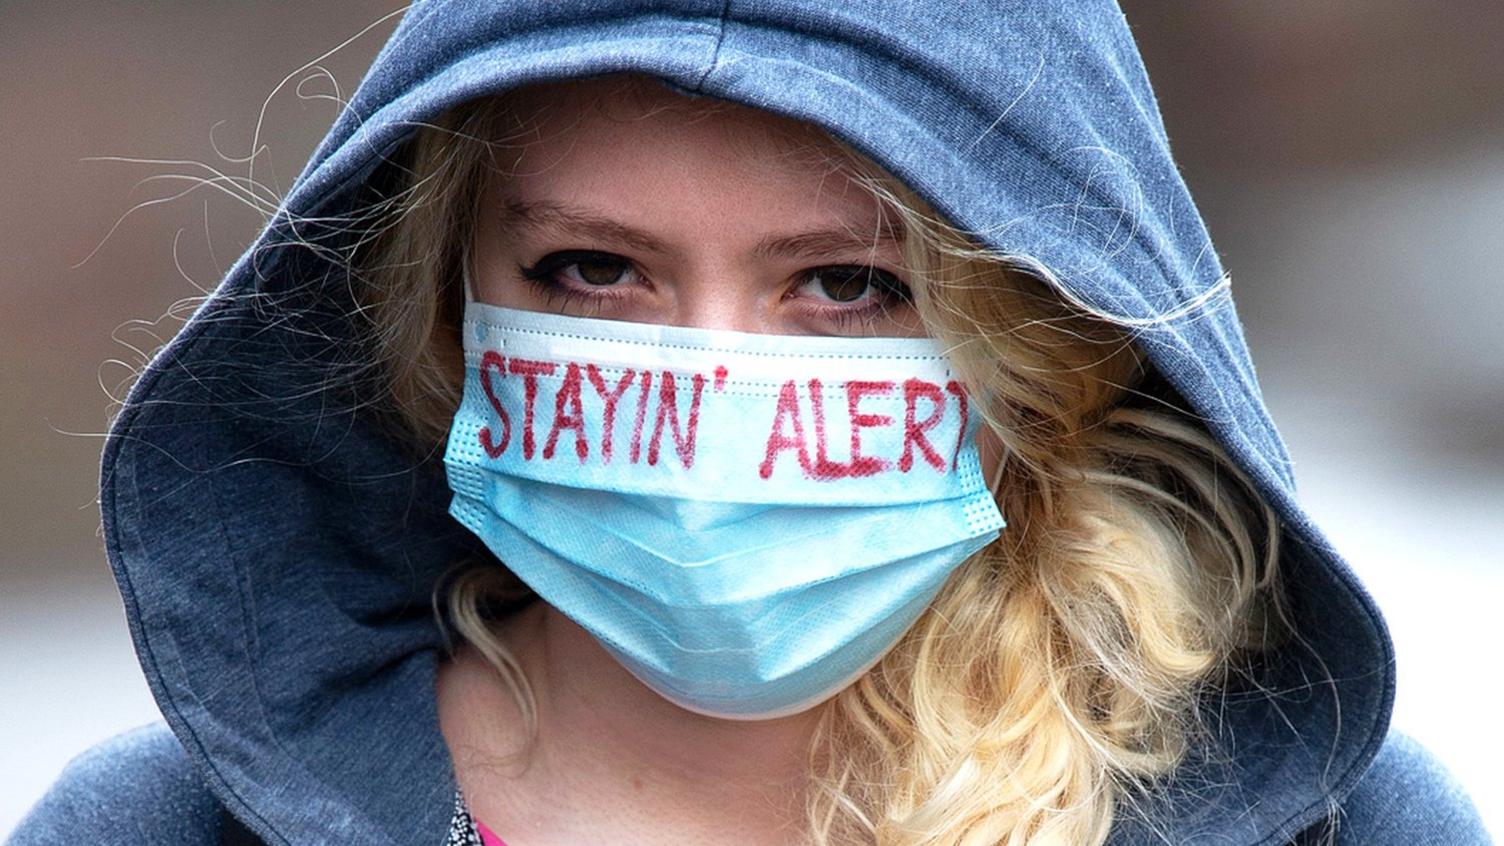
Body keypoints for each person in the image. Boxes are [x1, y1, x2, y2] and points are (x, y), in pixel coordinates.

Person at [8, 3, 1491, 845]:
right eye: (595, 270)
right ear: (448, 313)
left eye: (848, 283)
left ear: (1042, 347)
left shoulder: (1348, 836)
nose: (717, 387)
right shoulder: (151, 833)